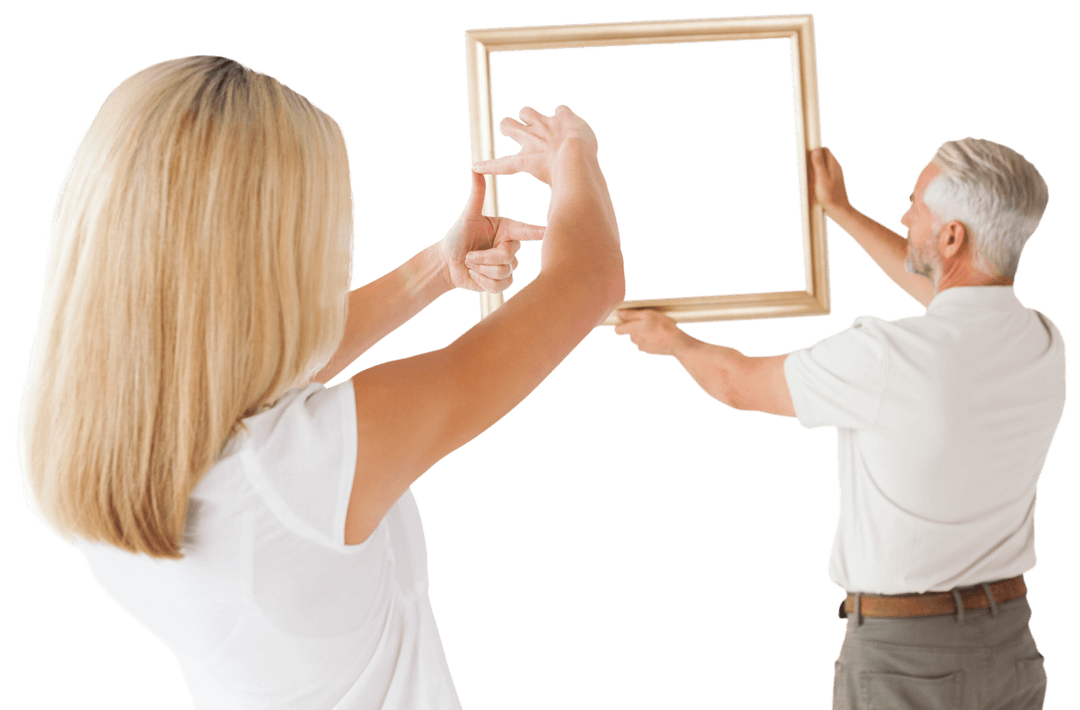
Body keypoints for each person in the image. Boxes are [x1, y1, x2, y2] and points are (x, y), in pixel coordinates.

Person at [15, 55, 624, 709]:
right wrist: (574, 160)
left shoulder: (90, 434)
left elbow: (251, 366)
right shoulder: (298, 476)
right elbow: (587, 283)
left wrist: (436, 270)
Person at [615, 138, 1064, 709]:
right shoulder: (1044, 340)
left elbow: (738, 385)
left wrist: (675, 342)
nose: (904, 217)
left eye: (915, 207)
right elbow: (949, 295)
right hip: (1009, 647)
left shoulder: (885, 355)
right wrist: (842, 211)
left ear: (952, 237)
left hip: (907, 658)